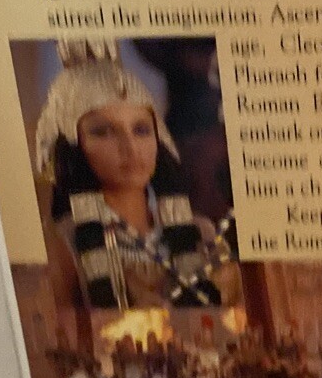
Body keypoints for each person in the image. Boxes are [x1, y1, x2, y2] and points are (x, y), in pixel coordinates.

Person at [34, 40, 221, 311]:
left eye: (141, 130)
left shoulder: (200, 233)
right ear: (73, 147)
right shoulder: (62, 244)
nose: (130, 148)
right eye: (103, 132)